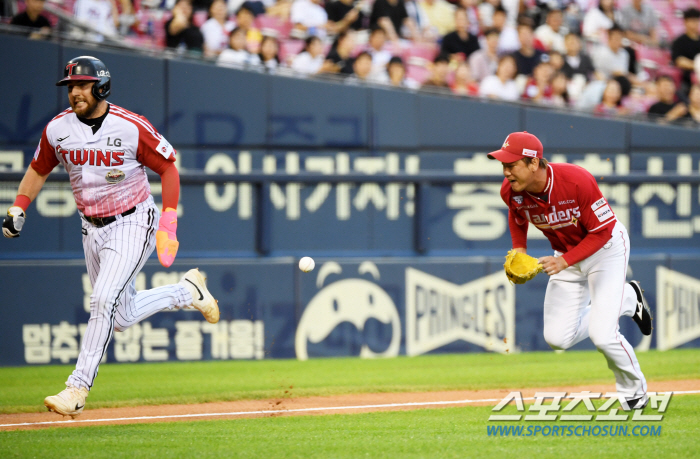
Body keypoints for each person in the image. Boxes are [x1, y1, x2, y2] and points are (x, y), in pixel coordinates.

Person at [2, 56, 220, 418]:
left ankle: (77, 388)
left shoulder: (130, 126)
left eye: (82, 84)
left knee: (102, 300)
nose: (74, 92)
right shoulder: (58, 129)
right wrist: (19, 205)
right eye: (70, 86)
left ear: (101, 86)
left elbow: (167, 167)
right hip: (90, 227)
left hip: (133, 221)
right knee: (120, 316)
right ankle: (187, 291)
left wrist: (168, 219)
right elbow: (39, 168)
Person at [487, 131, 652, 411]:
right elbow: (517, 215)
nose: (506, 171)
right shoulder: (510, 191)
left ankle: (634, 393)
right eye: (503, 164)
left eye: (511, 164)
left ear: (533, 163)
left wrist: (565, 262)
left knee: (604, 335)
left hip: (605, 251)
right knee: (557, 338)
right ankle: (627, 298)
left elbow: (602, 232)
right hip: (565, 255)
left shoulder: (576, 180)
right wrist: (520, 249)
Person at [672, 8, 700, 93]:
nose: (695, 24)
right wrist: (697, 66)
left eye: (697, 21)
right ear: (685, 22)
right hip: (687, 80)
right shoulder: (679, 41)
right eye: (692, 21)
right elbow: (679, 60)